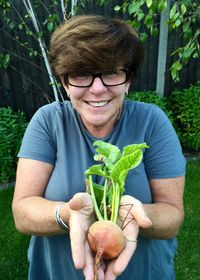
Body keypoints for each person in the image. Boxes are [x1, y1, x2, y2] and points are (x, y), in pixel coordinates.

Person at [12, 15, 186, 280]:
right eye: (81, 74)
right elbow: (22, 212)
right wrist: (69, 215)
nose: (97, 88)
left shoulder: (152, 122)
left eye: (110, 73)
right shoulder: (48, 122)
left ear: (128, 80)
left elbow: (173, 217)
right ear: (64, 81)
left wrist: (134, 214)